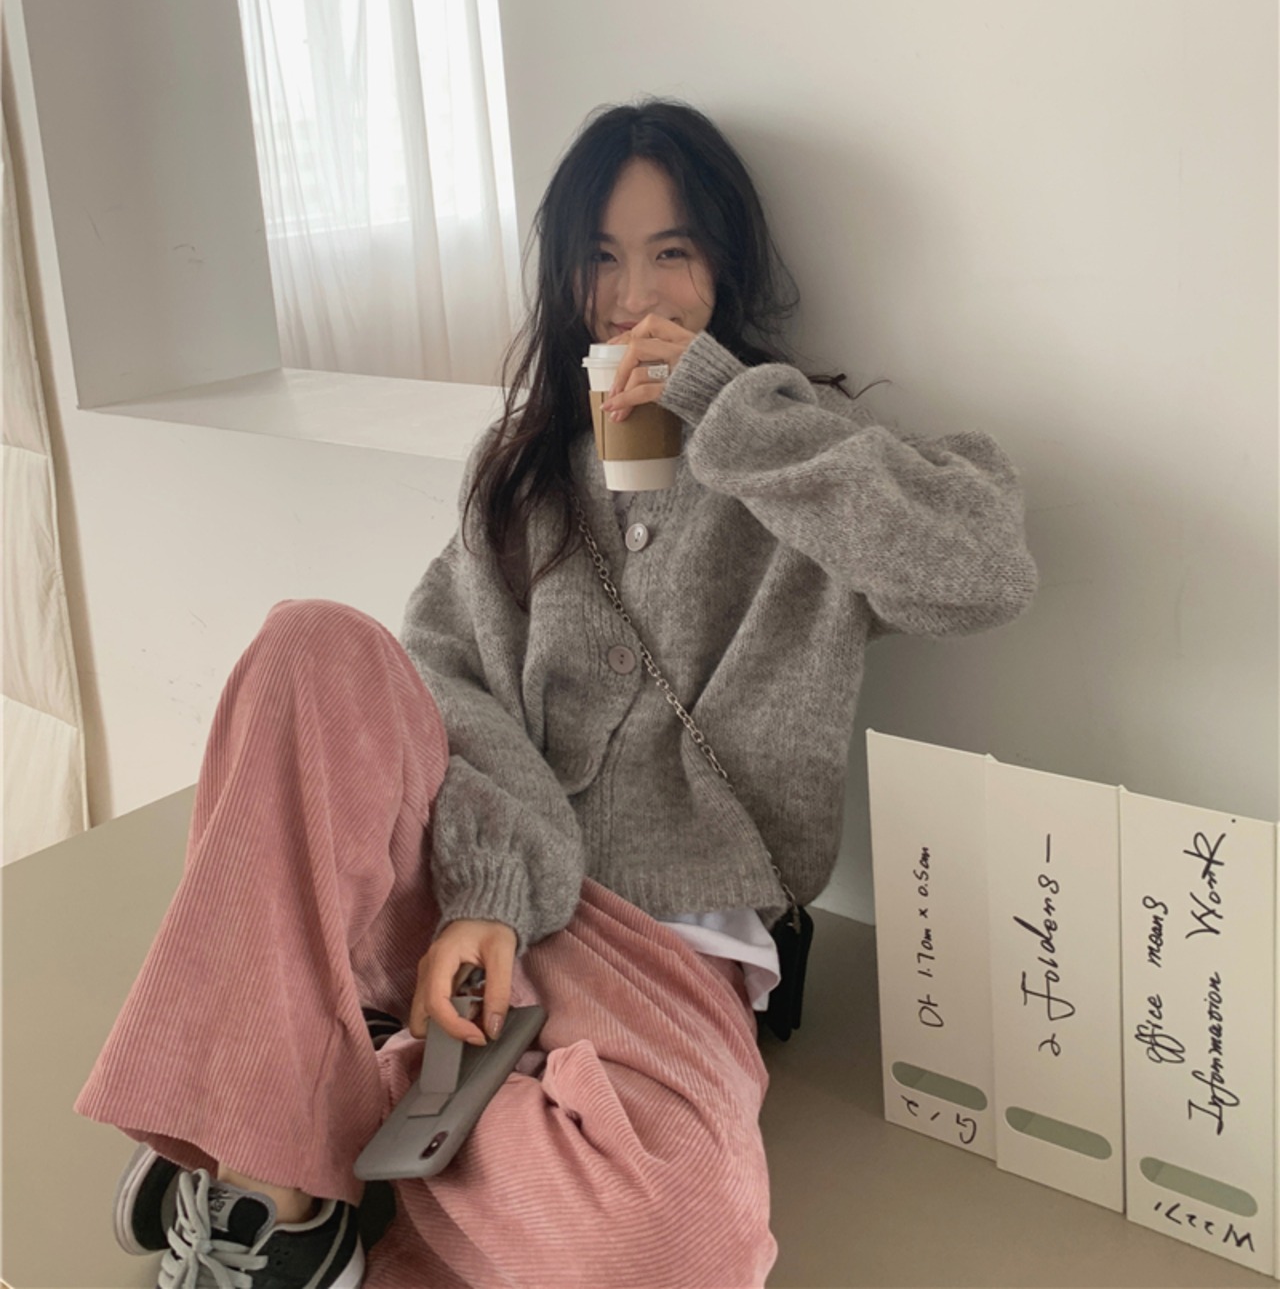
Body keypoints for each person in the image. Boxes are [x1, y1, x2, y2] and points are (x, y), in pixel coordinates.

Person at [76, 99, 1038, 1287]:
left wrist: (722, 404)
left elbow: (980, 573)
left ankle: (294, 1094)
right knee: (309, 642)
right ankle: (279, 1194)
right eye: (599, 257)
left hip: (662, 945)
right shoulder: (523, 474)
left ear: (725, 262)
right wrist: (489, 888)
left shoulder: (803, 455)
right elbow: (442, 678)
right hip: (473, 889)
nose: (632, 296)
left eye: (671, 251)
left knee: (675, 1237)